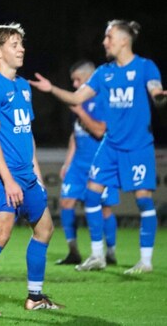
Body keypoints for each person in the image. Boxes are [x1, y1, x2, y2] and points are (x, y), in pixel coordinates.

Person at [29, 19, 166, 274]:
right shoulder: (104, 73)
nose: (105, 42)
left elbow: (156, 91)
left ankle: (145, 261)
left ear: (124, 40)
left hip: (138, 146)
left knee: (143, 201)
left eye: (109, 37)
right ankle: (97, 256)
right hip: (110, 146)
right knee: (91, 195)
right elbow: (76, 98)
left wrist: (159, 98)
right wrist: (51, 89)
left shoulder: (146, 67)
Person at [0, 23, 62, 316]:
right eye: (14, 44)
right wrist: (8, 180)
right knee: (1, 233)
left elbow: (26, 133)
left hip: (27, 177)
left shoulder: (22, 86)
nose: (21, 49)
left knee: (45, 230)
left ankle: (34, 297)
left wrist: (37, 174)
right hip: (4, 176)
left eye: (21, 43)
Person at [57, 60, 119, 267]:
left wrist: (81, 112)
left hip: (101, 163)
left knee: (105, 210)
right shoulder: (80, 100)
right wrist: (67, 163)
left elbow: (101, 130)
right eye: (73, 80)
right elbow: (76, 135)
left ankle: (110, 251)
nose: (75, 84)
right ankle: (73, 251)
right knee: (66, 202)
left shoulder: (104, 99)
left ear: (91, 79)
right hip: (78, 164)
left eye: (78, 79)